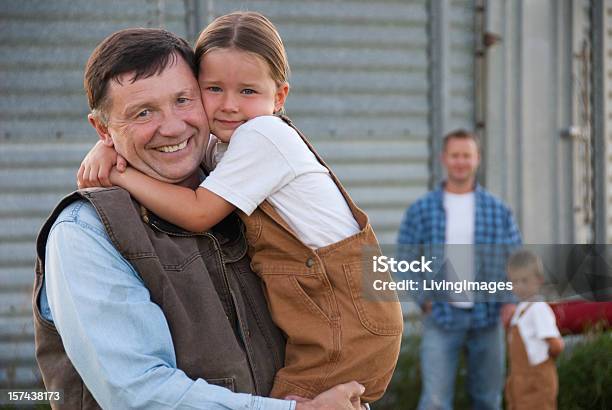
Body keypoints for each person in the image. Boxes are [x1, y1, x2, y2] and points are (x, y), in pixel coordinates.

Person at [33, 27, 368, 410]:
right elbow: (137, 394)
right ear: (102, 129)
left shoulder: (244, 193)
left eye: (183, 99)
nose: (173, 127)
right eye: (143, 113)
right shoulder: (86, 233)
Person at [397, 129, 522, 410]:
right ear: (444, 158)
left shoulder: (498, 210)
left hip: (488, 318)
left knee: (488, 401)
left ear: (477, 159)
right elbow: (404, 259)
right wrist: (423, 298)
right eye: (455, 155)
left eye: (467, 155)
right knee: (435, 402)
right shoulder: (422, 209)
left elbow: (516, 259)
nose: (460, 162)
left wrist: (510, 302)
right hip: (441, 318)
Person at [505, 250, 564, 410]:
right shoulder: (521, 310)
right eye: (514, 281)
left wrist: (543, 362)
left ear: (539, 280)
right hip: (520, 382)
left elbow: (556, 344)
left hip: (536, 382)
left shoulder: (538, 309)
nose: (519, 286)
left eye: (524, 280)